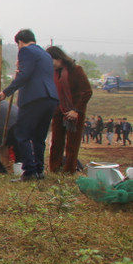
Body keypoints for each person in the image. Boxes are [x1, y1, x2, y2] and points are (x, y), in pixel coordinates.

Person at [0, 29, 58, 182]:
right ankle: (39, 170)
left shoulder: (26, 51)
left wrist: (6, 92)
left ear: (20, 42)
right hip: (50, 98)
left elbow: (25, 75)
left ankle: (29, 171)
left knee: (22, 135)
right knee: (39, 137)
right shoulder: (45, 54)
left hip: (34, 98)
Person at [45, 46, 92, 174]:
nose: (51, 64)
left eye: (52, 61)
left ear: (59, 58)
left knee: (72, 144)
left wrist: (76, 110)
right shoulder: (54, 72)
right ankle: (55, 168)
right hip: (59, 110)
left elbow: (87, 91)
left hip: (75, 112)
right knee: (56, 141)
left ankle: (69, 170)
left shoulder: (76, 70)